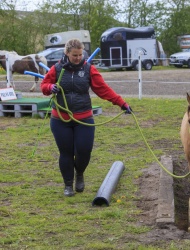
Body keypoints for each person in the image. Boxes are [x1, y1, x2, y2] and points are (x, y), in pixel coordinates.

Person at [40, 38, 132, 197]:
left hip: (84, 118)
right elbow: (44, 87)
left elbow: (104, 90)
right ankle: (68, 185)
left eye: (80, 54)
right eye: (74, 55)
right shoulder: (56, 69)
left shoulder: (89, 69)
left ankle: (80, 173)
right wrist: (50, 87)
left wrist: (121, 103)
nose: (78, 58)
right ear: (67, 53)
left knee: (84, 151)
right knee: (66, 153)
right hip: (60, 119)